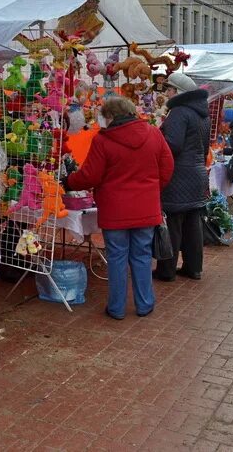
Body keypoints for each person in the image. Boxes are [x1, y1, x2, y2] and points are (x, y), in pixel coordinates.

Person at [65, 97, 173, 319]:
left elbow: (90, 176)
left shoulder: (103, 140)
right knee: (142, 256)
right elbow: (167, 167)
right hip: (146, 208)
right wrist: (152, 189)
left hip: (115, 210)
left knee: (117, 257)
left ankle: (116, 308)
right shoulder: (153, 133)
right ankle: (145, 304)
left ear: (111, 116)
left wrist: (68, 182)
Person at [153, 72, 210, 282]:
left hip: (178, 175)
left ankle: (166, 271)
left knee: (174, 223)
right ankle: (193, 268)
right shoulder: (202, 113)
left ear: (178, 91)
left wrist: (157, 138)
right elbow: (204, 146)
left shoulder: (178, 112)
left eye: (169, 89)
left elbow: (173, 145)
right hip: (197, 173)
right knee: (193, 224)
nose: (167, 92)